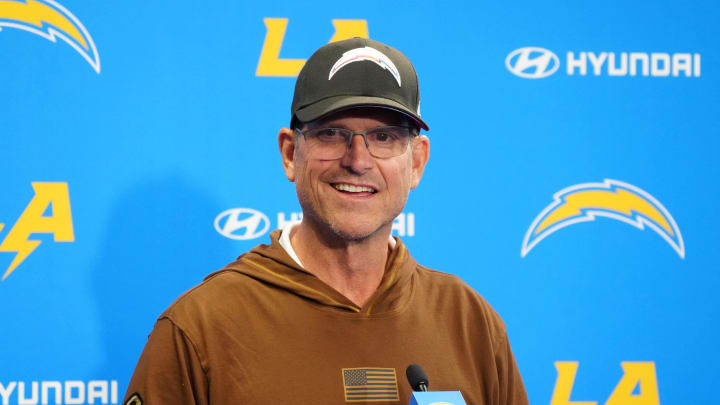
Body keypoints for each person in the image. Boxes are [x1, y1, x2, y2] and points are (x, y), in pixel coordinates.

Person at [124, 37, 529, 405]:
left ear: (417, 162)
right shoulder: (200, 328)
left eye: (384, 137)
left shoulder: (471, 323)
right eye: (331, 134)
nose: (357, 160)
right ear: (289, 154)